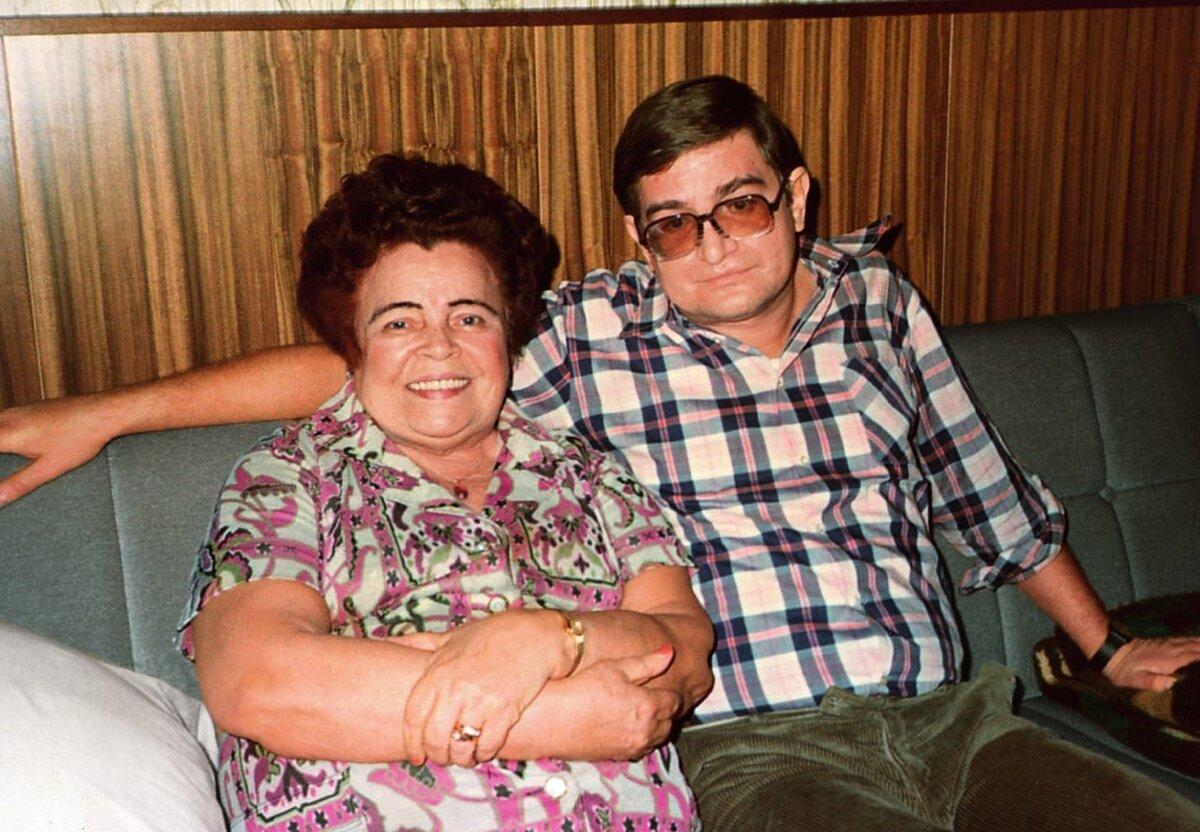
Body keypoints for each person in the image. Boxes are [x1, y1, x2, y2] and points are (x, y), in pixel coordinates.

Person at [2, 75, 1200, 830]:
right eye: (675, 224)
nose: (714, 245)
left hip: (954, 712)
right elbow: (387, 363)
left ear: (796, 195)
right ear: (640, 235)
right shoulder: (589, 334)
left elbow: (980, 493)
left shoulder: (869, 311)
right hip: (764, 746)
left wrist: (1105, 646)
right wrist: (108, 410)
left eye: (742, 204)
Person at [174, 154, 712, 831]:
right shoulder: (289, 476)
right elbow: (259, 683)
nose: (439, 347)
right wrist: (555, 716)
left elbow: (683, 648)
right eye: (399, 322)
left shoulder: (591, 475)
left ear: (508, 333)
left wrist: (552, 640)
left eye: (470, 318)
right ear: (353, 343)